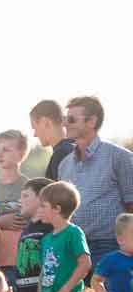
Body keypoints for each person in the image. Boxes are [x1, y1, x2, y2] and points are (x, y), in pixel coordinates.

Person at [56, 96, 133, 265]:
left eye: (71, 119)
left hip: (110, 246)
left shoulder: (120, 157)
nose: (65, 124)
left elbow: (131, 205)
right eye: (64, 119)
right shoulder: (64, 164)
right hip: (73, 248)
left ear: (92, 121)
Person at [0, 130, 30, 286]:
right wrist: (0, 222)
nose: (0, 153)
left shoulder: (29, 187)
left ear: (21, 154)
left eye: (7, 149)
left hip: (21, 262)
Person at [38, 181, 91, 292]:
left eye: (43, 206)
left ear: (57, 209)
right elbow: (42, 274)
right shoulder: (46, 239)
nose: (39, 210)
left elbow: (85, 265)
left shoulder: (73, 232)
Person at [14, 177, 55, 292]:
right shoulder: (28, 229)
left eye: (26, 196)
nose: (20, 201)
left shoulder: (51, 228)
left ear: (42, 198)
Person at [30, 100, 75, 181]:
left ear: (45, 122)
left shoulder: (62, 153)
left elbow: (64, 193)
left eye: (34, 127)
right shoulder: (75, 148)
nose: (35, 134)